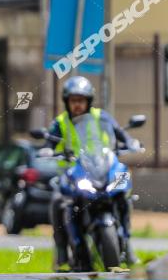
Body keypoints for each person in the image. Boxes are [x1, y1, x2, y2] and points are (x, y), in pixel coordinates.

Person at [45, 75, 137, 270]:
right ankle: (62, 252)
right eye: (73, 101)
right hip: (73, 172)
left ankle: (127, 244)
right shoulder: (60, 122)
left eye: (81, 100)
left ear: (89, 101)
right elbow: (49, 143)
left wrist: (130, 143)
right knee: (57, 202)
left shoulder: (101, 117)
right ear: (67, 102)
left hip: (102, 167)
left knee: (124, 195)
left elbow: (119, 133)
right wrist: (47, 149)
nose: (77, 105)